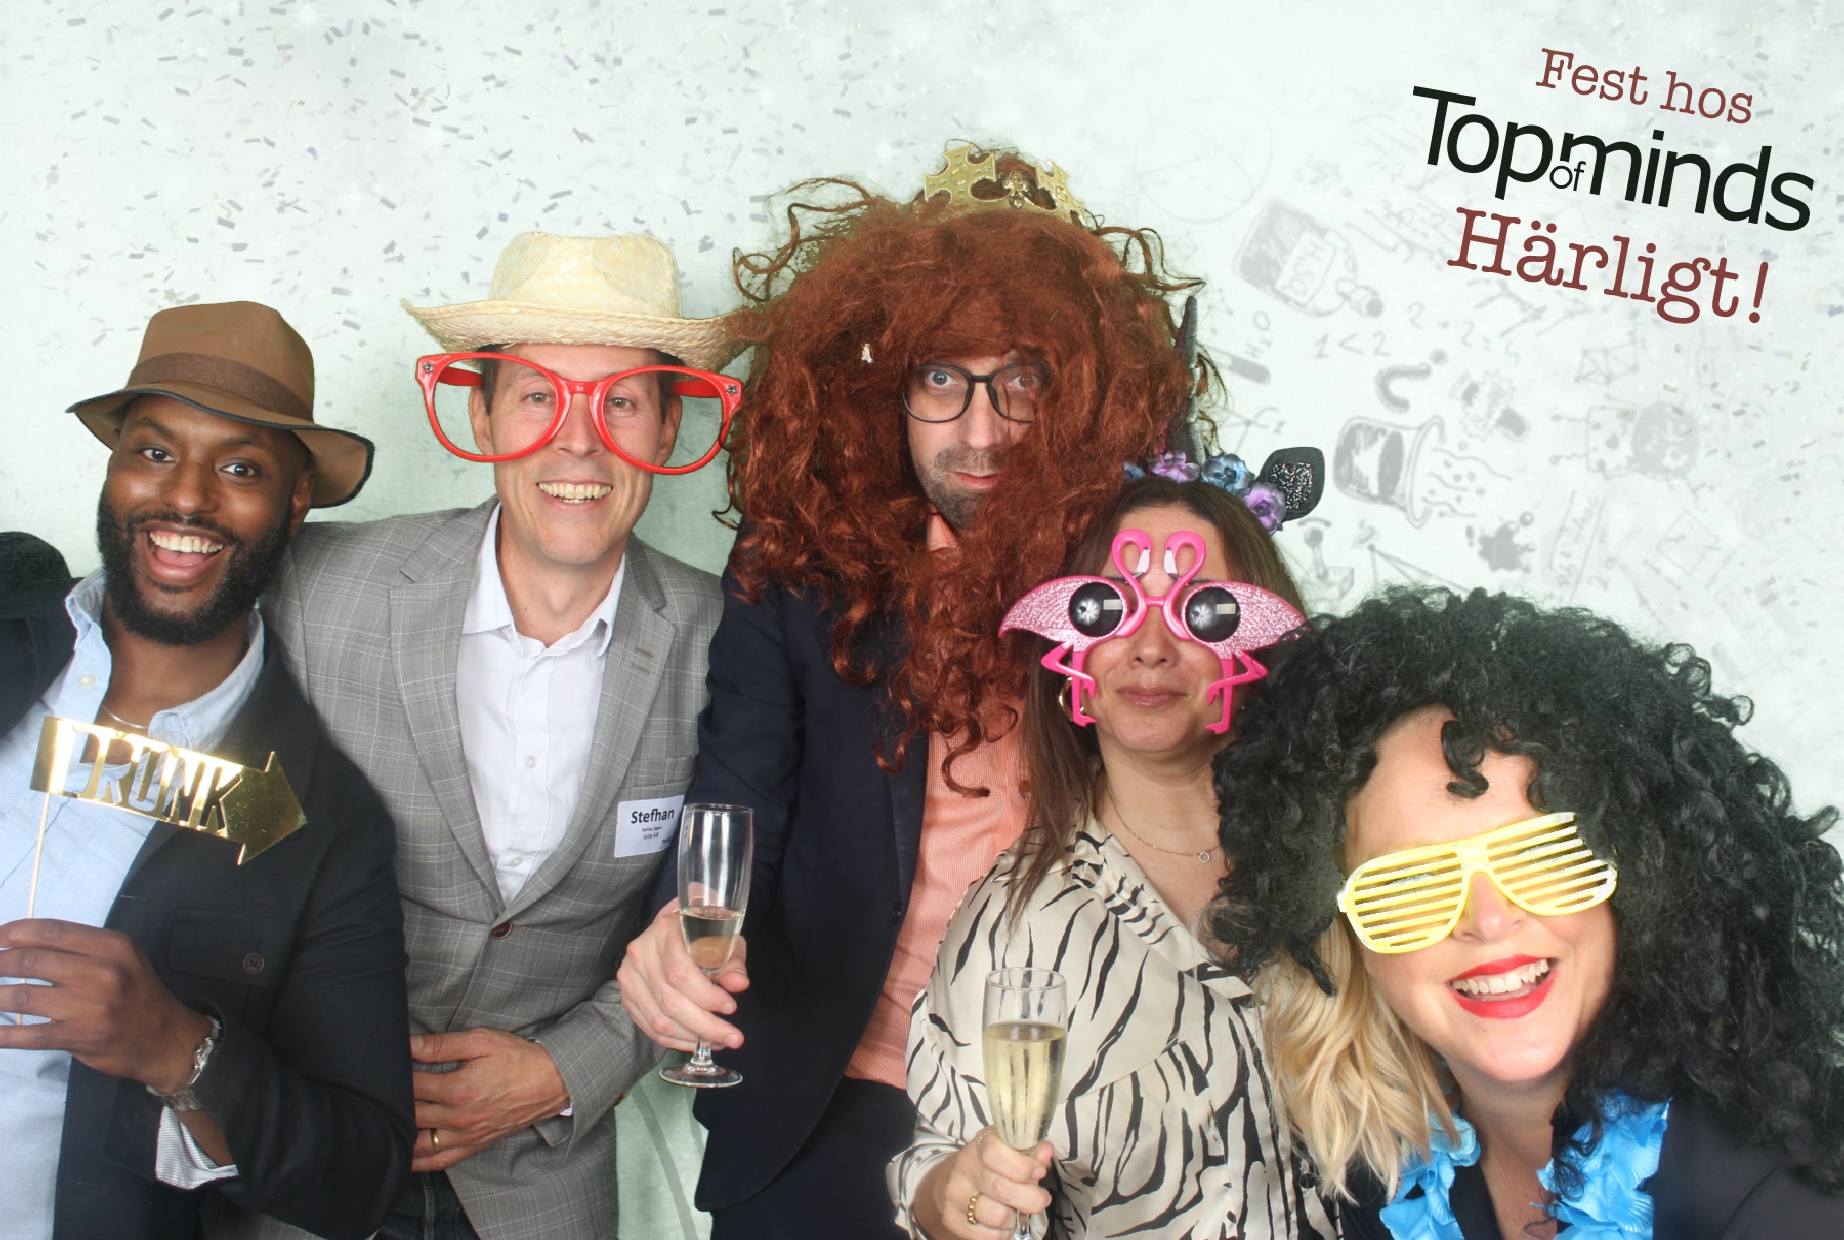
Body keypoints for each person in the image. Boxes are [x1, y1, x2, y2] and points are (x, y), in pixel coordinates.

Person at [614, 143, 1211, 1236]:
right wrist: (674, 928)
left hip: (1084, 1115)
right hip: (837, 1097)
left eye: (1021, 378)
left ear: (1081, 392)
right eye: (940, 377)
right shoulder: (800, 570)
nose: (980, 432)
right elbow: (737, 792)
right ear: (879, 389)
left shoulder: (1148, 578)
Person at [259, 232, 737, 1240]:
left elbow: (736, 904)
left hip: (540, 1176)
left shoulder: (726, 640)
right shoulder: (315, 588)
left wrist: (565, 1069)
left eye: (620, 402)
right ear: (479, 415)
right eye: (536, 397)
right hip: (311, 1146)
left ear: (667, 427)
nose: (579, 443)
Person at [1209, 587, 1844, 1239]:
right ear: (1344, 939)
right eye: (1410, 882)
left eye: (1543, 855)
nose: (1488, 919)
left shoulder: (1785, 1204)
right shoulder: (1378, 1186)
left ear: (1642, 879)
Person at [0, 301, 412, 1240]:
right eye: (153, 451)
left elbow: (359, 1176)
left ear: (295, 502)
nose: (185, 498)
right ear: (113, 469)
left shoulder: (316, 819)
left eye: (239, 468)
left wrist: (180, 1050)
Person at [891, 467, 1338, 1239]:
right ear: (1069, 647)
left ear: (1266, 641)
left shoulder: (1356, 867)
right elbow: (941, 1166)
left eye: (1203, 612)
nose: (1151, 648)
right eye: (1108, 609)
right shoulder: (1014, 924)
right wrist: (962, 1199)